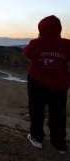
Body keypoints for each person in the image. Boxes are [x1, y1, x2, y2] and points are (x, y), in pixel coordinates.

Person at [23, 15, 70, 153]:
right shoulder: (67, 44)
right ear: (59, 29)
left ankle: (37, 138)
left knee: (36, 110)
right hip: (60, 85)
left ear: (41, 28)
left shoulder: (36, 43)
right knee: (58, 113)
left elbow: (26, 53)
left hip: (37, 82)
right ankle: (59, 143)